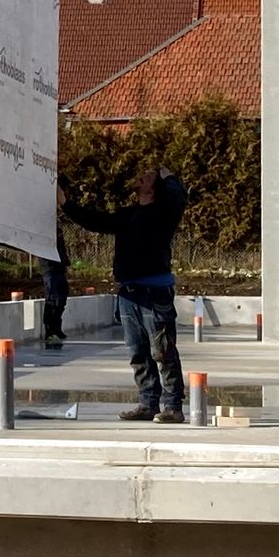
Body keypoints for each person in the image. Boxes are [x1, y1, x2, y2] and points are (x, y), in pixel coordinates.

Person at [61, 166, 187, 423]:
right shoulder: (127, 215)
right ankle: (147, 402)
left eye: (148, 176)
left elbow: (178, 196)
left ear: (156, 188)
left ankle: (173, 406)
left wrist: (168, 176)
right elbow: (95, 220)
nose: (141, 176)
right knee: (138, 352)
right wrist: (66, 205)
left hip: (154, 292)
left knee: (162, 350)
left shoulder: (164, 213)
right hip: (129, 293)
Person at [38, 220, 69, 351]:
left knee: (62, 298)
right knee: (52, 299)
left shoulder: (58, 232)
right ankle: (49, 330)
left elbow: (62, 249)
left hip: (59, 268)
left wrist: (65, 263)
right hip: (49, 269)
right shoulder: (42, 233)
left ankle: (57, 326)